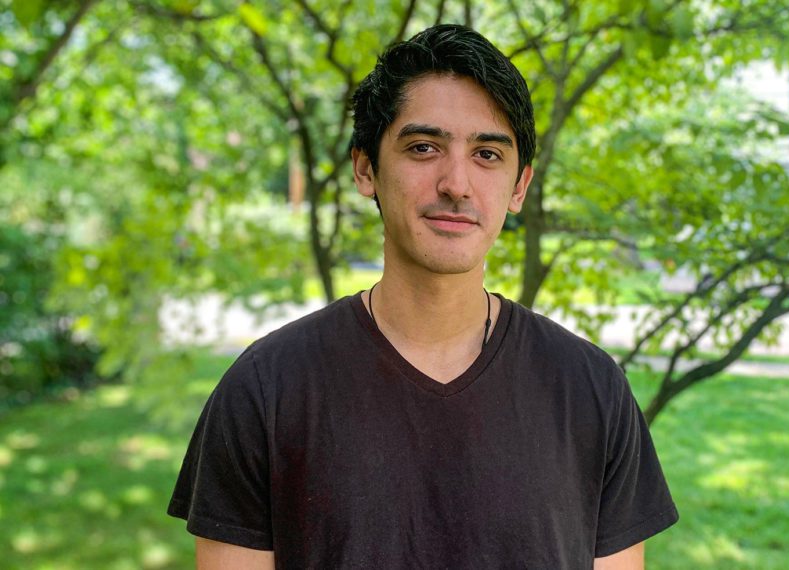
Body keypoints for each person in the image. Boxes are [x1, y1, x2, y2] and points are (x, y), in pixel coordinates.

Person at [168, 24, 678, 569]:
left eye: (487, 154)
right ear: (366, 168)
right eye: (424, 147)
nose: (456, 183)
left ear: (519, 187)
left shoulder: (592, 390)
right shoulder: (264, 391)